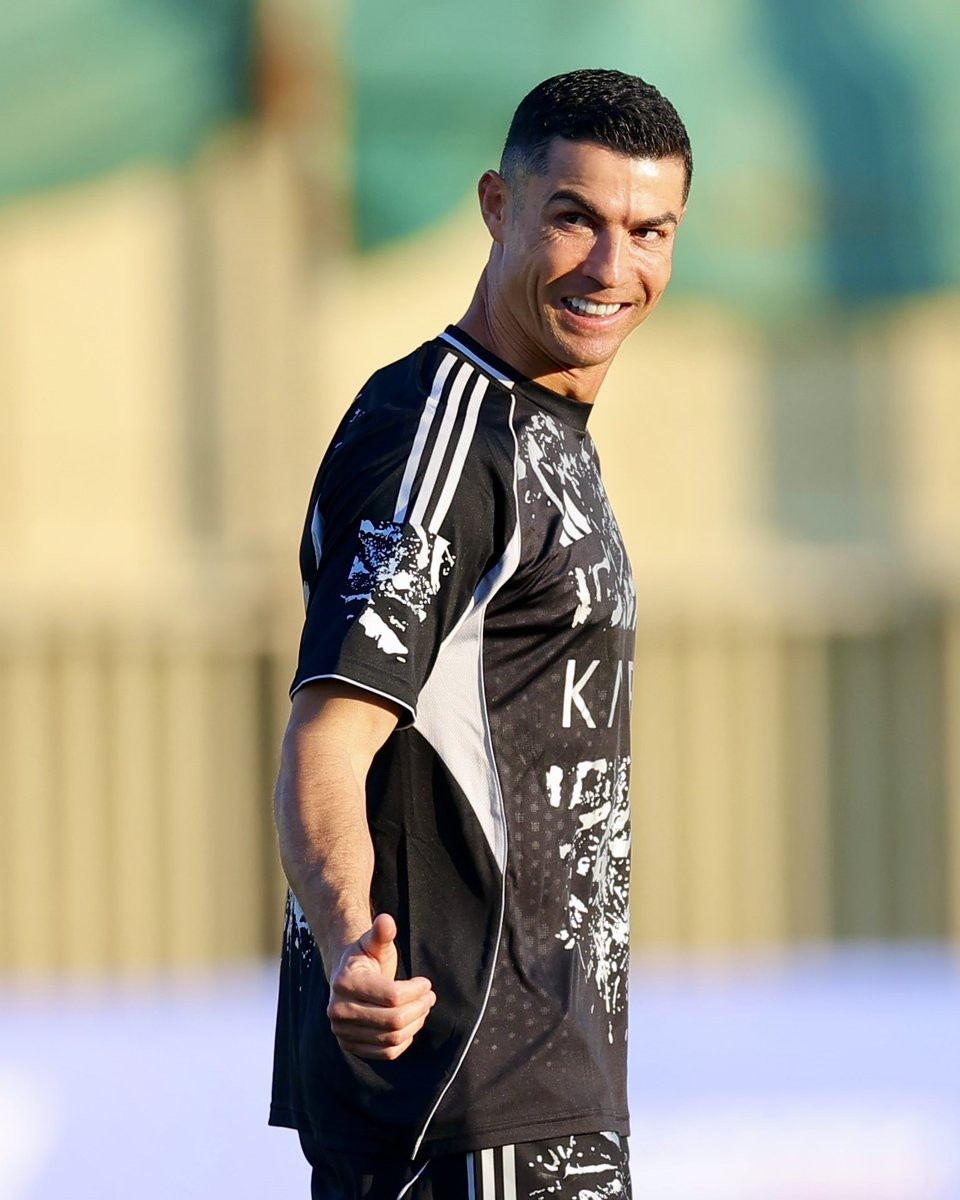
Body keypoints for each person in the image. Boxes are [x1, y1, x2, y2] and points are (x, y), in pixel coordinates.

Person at [269, 67, 692, 1200]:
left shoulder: (540, 429)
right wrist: (352, 941)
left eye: (649, 231)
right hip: (460, 1095)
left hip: (535, 1097)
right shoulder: (444, 444)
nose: (612, 267)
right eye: (575, 218)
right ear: (498, 207)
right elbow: (328, 738)